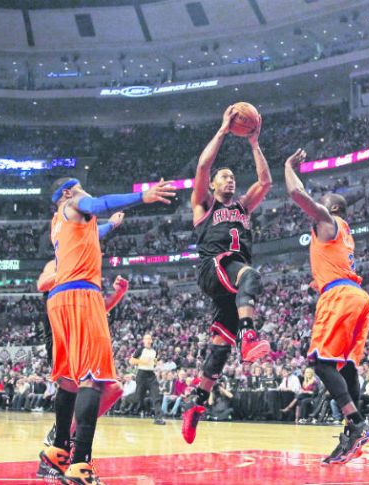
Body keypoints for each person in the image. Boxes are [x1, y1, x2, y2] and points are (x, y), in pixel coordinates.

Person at [37, 176, 175, 484]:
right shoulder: (74, 203)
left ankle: (57, 452)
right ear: (69, 192)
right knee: (93, 379)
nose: (88, 191)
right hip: (81, 295)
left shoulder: (59, 225)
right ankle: (80, 465)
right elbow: (99, 203)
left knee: (70, 381)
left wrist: (111, 226)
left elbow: (92, 232)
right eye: (83, 187)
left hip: (59, 301)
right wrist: (143, 196)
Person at [182, 105, 273, 444]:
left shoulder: (243, 206)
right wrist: (223, 129)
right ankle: (249, 336)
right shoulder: (204, 205)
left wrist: (254, 142)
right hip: (214, 267)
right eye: (225, 177)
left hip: (230, 282)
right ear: (214, 185)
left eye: (233, 176)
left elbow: (265, 181)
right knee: (250, 275)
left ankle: (196, 405)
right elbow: (204, 166)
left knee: (220, 348)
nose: (230, 179)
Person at [283, 148, 369, 465]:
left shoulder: (329, 220)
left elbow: (296, 192)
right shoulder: (343, 234)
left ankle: (358, 424)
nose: (317, 205)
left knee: (321, 363)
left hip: (340, 297)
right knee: (346, 367)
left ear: (333, 207)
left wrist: (288, 167)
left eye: (322, 201)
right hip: (357, 297)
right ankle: (350, 436)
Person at [129, 334, 166, 425]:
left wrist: (157, 363)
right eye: (147, 339)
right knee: (138, 397)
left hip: (151, 375)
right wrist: (142, 362)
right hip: (141, 374)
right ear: (144, 341)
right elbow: (131, 361)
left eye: (150, 339)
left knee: (156, 396)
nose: (149, 340)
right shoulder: (140, 350)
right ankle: (132, 404)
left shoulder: (155, 351)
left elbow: (154, 362)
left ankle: (158, 418)